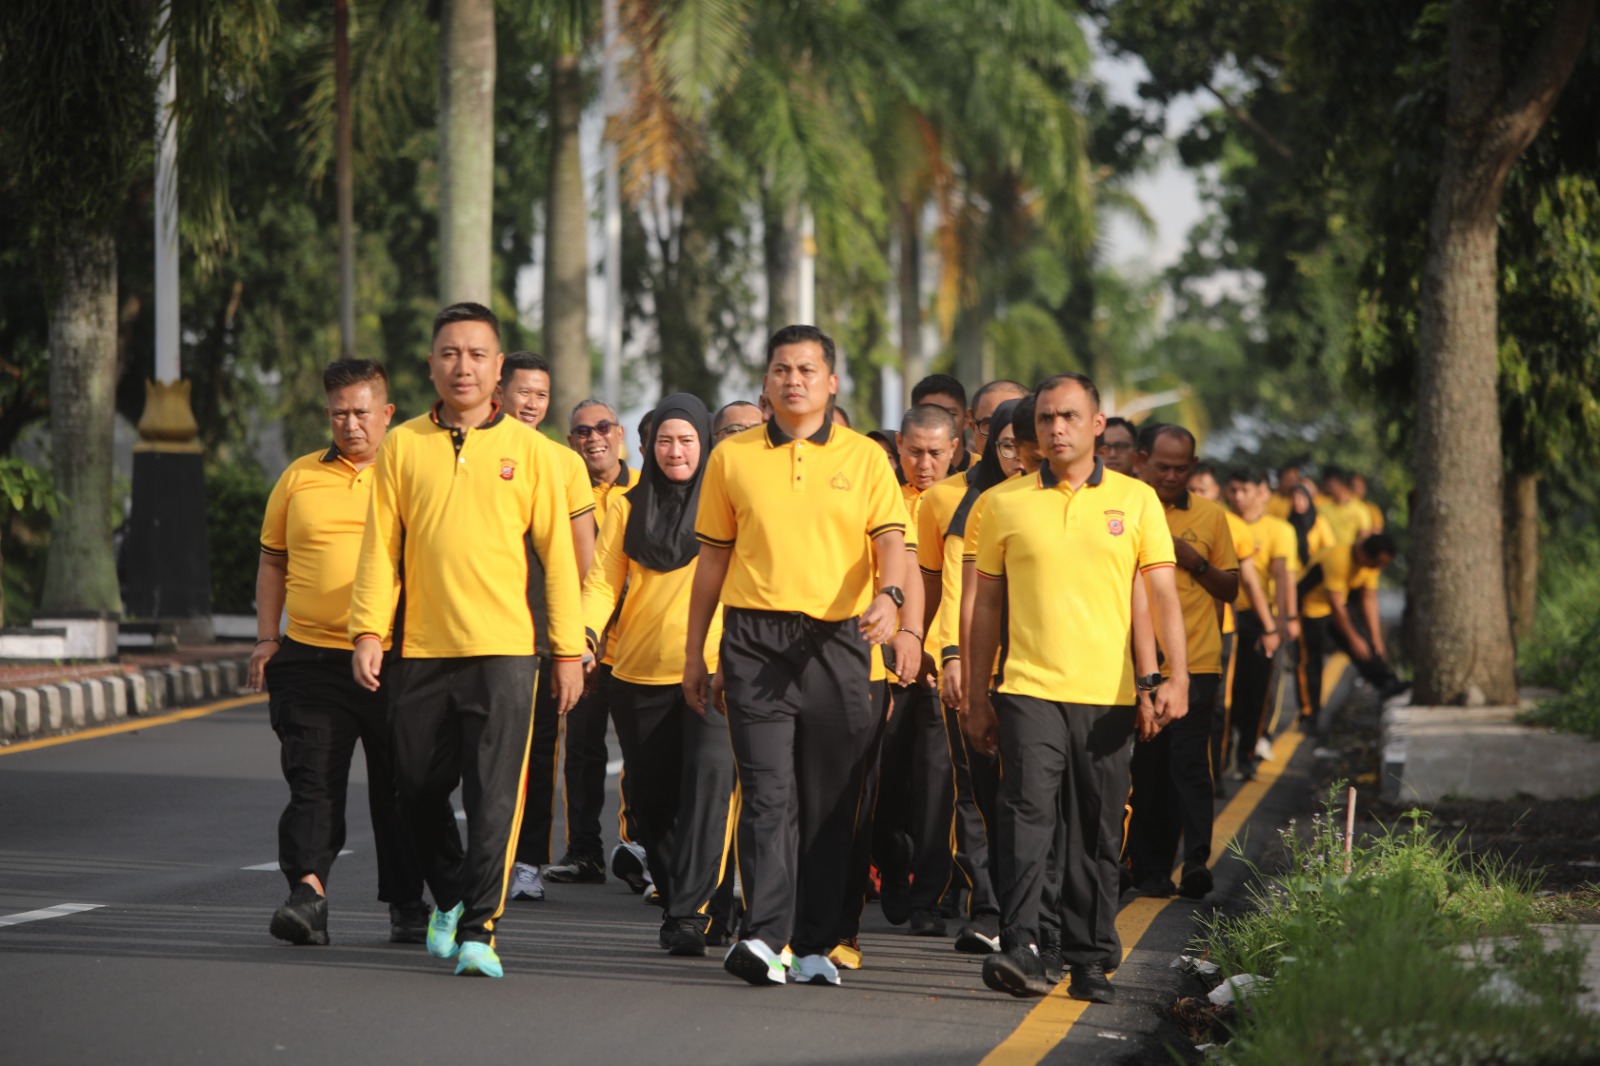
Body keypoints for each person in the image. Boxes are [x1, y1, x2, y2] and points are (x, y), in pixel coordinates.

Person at [349, 302, 585, 978]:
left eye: (478, 355)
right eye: (450, 353)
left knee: (494, 797)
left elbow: (559, 559)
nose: (464, 367)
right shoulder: (403, 446)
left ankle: (481, 928)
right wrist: (369, 630)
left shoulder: (534, 453)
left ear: (498, 367)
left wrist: (567, 651)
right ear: (431, 365)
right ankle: (452, 893)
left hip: (506, 650)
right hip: (423, 647)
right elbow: (380, 548)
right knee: (414, 787)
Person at [684, 324, 920, 988]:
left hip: (839, 643)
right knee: (767, 795)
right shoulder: (731, 458)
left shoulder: (865, 458)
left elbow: (892, 541)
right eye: (782, 369)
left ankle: (817, 943)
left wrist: (891, 597)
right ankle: (767, 937)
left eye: (807, 369)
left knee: (828, 802)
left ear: (831, 382)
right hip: (753, 642)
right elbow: (711, 562)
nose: (794, 380)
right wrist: (695, 653)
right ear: (766, 381)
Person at [965, 373, 1188, 1005]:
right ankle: (1023, 945)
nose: (1056, 428)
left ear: (1096, 424)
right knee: (1026, 814)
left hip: (1108, 696)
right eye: (1045, 418)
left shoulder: (1136, 500)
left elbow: (1161, 594)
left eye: (1068, 416)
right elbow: (985, 608)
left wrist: (1173, 676)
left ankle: (1089, 957)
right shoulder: (1002, 503)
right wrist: (978, 696)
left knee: (1095, 828)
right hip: (1028, 687)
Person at [254, 359, 428, 948]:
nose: (350, 425)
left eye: (361, 412)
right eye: (338, 414)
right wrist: (267, 637)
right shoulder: (299, 477)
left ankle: (408, 901)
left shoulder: (411, 476)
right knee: (312, 781)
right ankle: (308, 896)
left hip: (396, 658)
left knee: (403, 786)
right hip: (311, 658)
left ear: (387, 413)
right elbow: (273, 561)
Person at [583, 394, 738, 956]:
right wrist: (585, 636)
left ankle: (691, 913)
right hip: (637, 675)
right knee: (653, 806)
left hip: (713, 675)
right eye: (665, 441)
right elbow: (602, 582)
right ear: (649, 447)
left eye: (687, 440)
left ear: (705, 444)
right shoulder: (627, 508)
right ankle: (688, 905)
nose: (676, 451)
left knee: (707, 795)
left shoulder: (727, 505)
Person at [915, 382, 1027, 956]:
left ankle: (1036, 912)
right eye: (1000, 441)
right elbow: (946, 588)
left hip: (1035, 669)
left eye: (1021, 442)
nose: (1013, 454)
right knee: (975, 793)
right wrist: (950, 656)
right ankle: (987, 907)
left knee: (1030, 795)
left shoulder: (1048, 503)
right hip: (968, 666)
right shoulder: (948, 501)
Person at [498, 352, 599, 905]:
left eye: (541, 394)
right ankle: (482, 858)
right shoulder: (471, 450)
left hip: (538, 634)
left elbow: (583, 554)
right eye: (524, 391)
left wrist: (569, 631)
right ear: (499, 391)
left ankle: (527, 861)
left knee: (537, 752)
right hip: (473, 628)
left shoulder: (564, 464)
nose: (532, 403)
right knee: (472, 752)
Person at [1126, 424, 1239, 900]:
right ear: (1142, 461)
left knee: (1190, 765)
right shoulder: (1125, 507)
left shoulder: (1211, 516)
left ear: (1193, 466)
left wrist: (1195, 561)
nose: (1172, 476)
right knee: (1148, 771)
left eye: (1181, 468)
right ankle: (1150, 870)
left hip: (1197, 663)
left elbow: (1230, 588)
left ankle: (1195, 860)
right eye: (1163, 467)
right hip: (1136, 663)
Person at [874, 404, 961, 937]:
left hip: (940, 666)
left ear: (955, 450)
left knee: (935, 785)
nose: (924, 464)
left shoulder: (968, 501)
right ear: (898, 447)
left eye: (935, 453)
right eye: (914, 452)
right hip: (883, 662)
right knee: (883, 780)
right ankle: (891, 868)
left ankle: (930, 897)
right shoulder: (883, 496)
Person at [547, 399, 636, 885]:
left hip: (637, 646)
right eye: (582, 431)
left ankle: (639, 849)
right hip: (579, 646)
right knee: (581, 752)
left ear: (620, 434)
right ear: (570, 442)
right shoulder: (561, 492)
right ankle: (584, 852)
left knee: (640, 755)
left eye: (603, 427)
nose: (593, 437)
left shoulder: (647, 490)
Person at [1191, 460, 1275, 794]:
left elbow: (1249, 582)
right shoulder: (1161, 516)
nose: (1197, 494)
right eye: (1192, 489)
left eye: (1203, 489)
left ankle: (1215, 773)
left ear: (1217, 492)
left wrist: (1271, 627)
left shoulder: (1231, 526)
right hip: (1174, 627)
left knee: (1217, 705)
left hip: (1221, 628)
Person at [1223, 467, 1300, 777]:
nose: (1238, 497)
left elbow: (1282, 576)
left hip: (1261, 617)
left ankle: (1248, 754)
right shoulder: (1221, 521)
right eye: (1233, 490)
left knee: (1259, 690)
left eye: (1245, 490)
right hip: (1226, 613)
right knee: (1227, 691)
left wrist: (1284, 619)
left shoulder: (1279, 530)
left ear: (1261, 492)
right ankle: (1221, 758)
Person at [1298, 533, 1404, 729]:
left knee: (1366, 645)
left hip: (1336, 606)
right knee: (1311, 661)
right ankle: (1309, 715)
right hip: (1310, 609)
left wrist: (1375, 638)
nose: (1379, 569)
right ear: (1363, 554)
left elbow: (1368, 598)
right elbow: (1336, 605)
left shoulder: (1370, 566)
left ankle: (1386, 682)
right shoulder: (1338, 559)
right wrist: (1353, 639)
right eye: (1377, 563)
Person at [911, 374, 975, 473]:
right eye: (929, 415)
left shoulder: (986, 474)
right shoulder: (892, 476)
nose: (939, 424)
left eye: (951, 414)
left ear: (967, 419)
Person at [1318, 467, 1374, 547]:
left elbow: (1364, 535)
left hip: (1350, 552)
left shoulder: (1359, 508)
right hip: (1329, 552)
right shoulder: (1323, 509)